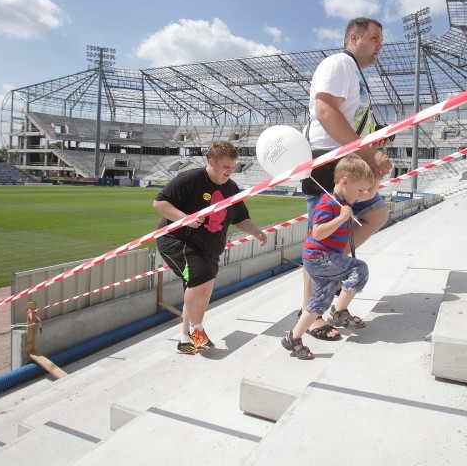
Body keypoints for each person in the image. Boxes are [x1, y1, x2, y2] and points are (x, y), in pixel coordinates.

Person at [299, 16, 392, 341]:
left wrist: (374, 151)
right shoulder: (339, 63)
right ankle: (309, 317)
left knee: (377, 212)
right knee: (318, 243)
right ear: (354, 37)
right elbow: (325, 112)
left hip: (345, 161)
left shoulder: (353, 73)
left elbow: (351, 123)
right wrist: (367, 155)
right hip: (327, 163)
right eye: (374, 37)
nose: (380, 44)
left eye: (381, 39)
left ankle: (335, 280)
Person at [153, 141, 267, 355]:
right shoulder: (189, 179)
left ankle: (185, 340)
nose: (229, 171)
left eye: (232, 167)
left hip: (209, 247)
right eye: (225, 167)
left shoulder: (231, 188)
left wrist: (256, 231)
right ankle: (198, 331)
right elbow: (159, 203)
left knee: (198, 290)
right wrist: (184, 218)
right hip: (177, 240)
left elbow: (241, 218)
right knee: (200, 280)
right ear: (211, 162)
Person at [283, 155, 373, 360]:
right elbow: (318, 233)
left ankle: (293, 338)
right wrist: (342, 218)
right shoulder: (327, 203)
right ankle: (340, 312)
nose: (361, 196)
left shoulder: (341, 202)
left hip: (322, 258)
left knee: (319, 303)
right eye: (360, 190)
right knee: (359, 269)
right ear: (345, 181)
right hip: (318, 258)